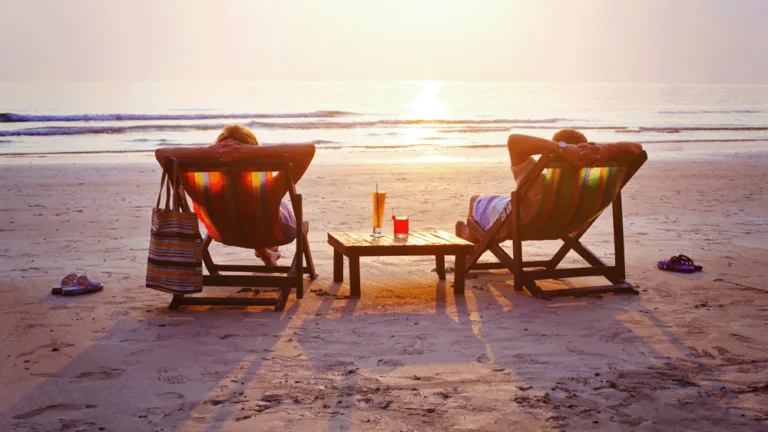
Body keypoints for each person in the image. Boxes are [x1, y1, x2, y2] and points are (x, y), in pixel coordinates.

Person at [155, 124, 315, 265]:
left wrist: (208, 152)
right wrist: (254, 152)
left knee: (247, 215)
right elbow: (308, 150)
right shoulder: (268, 190)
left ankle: (267, 253)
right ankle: (269, 250)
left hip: (226, 236)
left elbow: (161, 154)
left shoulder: (203, 192)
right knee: (273, 213)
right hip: (273, 235)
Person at [455, 129, 643, 243]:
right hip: (569, 223)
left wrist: (560, 147)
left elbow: (514, 141)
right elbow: (637, 149)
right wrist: (607, 149)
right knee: (504, 200)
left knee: (476, 200)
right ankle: (473, 234)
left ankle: (472, 237)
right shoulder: (595, 184)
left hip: (522, 222)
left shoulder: (539, 186)